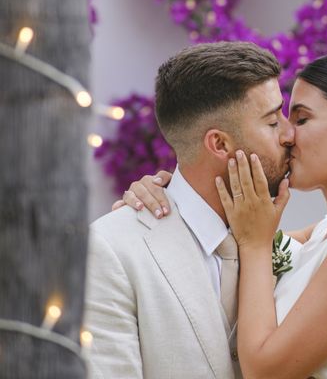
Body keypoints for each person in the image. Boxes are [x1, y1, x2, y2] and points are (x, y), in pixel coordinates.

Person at [120, 48, 327, 378]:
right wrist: (163, 197)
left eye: (302, 119)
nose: (288, 135)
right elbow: (219, 248)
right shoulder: (322, 235)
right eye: (280, 120)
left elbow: (264, 371)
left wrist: (256, 245)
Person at [84, 42, 296, 379]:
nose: (289, 133)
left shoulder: (298, 251)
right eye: (272, 122)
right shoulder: (111, 250)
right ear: (219, 144)